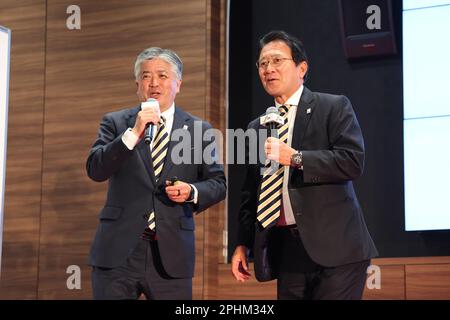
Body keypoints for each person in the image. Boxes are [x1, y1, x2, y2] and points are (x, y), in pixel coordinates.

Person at [231, 30, 378, 300]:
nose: (268, 69)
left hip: (338, 250)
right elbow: (250, 192)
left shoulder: (332, 107)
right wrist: (241, 243)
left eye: (277, 61)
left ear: (301, 68)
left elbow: (352, 162)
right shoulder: (258, 126)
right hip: (287, 251)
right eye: (263, 63)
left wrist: (297, 158)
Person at [87, 47, 226, 300]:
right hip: (117, 253)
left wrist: (191, 191)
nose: (154, 83)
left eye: (162, 76)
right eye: (146, 76)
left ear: (178, 84)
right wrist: (132, 133)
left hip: (171, 255)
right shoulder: (116, 122)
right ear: (137, 84)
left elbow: (218, 184)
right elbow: (96, 169)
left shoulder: (198, 129)